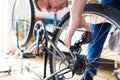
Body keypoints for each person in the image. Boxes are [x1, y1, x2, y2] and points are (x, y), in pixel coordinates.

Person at [35, 0, 120, 80]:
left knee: (96, 30)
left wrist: (77, 15)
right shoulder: (71, 4)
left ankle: (89, 73)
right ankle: (89, 73)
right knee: (95, 30)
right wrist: (83, 16)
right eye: (49, 10)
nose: (54, 11)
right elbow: (94, 10)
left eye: (49, 6)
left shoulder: (73, 5)